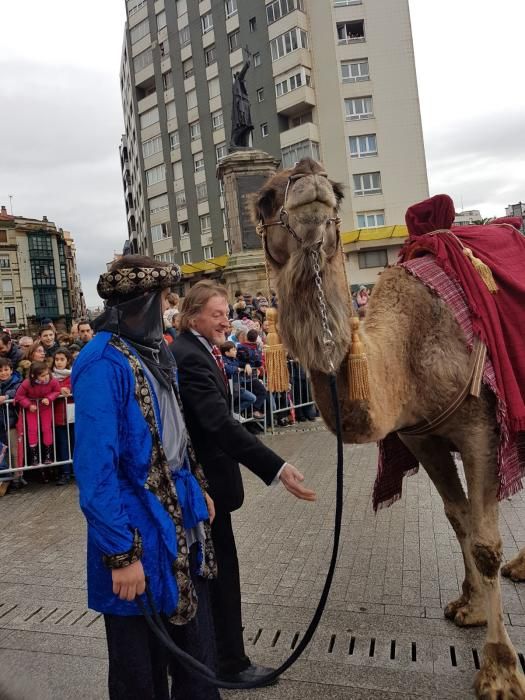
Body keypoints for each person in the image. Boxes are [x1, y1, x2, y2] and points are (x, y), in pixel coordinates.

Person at [72, 255, 220, 700]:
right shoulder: (101, 362)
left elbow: (175, 432)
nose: (169, 307)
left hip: (180, 527)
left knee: (197, 659)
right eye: (163, 299)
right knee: (140, 674)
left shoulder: (155, 352)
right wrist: (121, 555)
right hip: (138, 535)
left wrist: (198, 488)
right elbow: (96, 472)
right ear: (142, 302)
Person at [173, 280, 316, 685]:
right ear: (192, 315)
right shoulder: (189, 356)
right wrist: (276, 467)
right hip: (206, 491)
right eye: (216, 315)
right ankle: (228, 664)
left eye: (226, 313)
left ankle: (218, 658)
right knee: (219, 580)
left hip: (212, 491)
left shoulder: (201, 350)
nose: (225, 322)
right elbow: (217, 424)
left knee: (221, 575)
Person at [15, 360, 61, 466]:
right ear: (33, 376)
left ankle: (48, 455)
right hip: (32, 408)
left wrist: (49, 398)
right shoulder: (27, 383)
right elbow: (19, 396)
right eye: (42, 375)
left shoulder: (52, 380)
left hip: (45, 407)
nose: (46, 377)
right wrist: (28, 405)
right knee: (32, 429)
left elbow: (57, 391)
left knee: (46, 428)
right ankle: (34, 456)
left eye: (47, 374)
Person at [52, 347, 74, 485]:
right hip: (58, 417)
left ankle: (76, 471)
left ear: (68, 360)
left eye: (62, 359)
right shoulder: (50, 376)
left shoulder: (72, 375)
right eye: (57, 359)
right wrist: (58, 390)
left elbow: (74, 387)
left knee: (75, 444)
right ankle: (65, 472)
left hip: (72, 416)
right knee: (62, 446)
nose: (59, 362)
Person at [0, 357, 23, 492]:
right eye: (0, 371)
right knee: (3, 453)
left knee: (14, 452)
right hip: (0, 424)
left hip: (12, 422)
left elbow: (18, 391)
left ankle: (17, 479)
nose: (3, 373)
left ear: (11, 370)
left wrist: (6, 397)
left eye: (6, 370)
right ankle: (5, 479)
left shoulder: (16, 381)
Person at [219, 341, 258, 416]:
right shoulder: (223, 360)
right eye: (233, 350)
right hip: (229, 388)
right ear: (227, 353)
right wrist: (237, 369)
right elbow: (228, 369)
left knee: (252, 398)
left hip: (237, 387)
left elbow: (241, 364)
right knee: (228, 404)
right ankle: (230, 415)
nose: (236, 351)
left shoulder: (235, 359)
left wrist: (247, 365)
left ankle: (235, 412)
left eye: (235, 349)